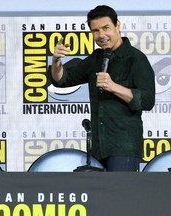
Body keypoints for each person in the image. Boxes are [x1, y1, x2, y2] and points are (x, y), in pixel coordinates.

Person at [48, 5, 155, 171]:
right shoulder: (95, 58)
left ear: (117, 25)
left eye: (106, 28)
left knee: (120, 195)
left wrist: (113, 87)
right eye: (95, 31)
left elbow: (147, 101)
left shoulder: (136, 59)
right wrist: (55, 61)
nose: (101, 35)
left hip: (123, 148)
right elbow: (62, 80)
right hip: (97, 148)